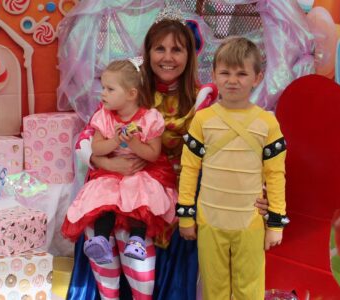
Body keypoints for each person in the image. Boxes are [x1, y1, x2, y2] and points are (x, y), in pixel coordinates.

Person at [67, 16, 271, 300]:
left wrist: (257, 192)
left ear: (189, 55)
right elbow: (87, 137)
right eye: (159, 49)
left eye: (177, 50)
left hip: (182, 196)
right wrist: (105, 163)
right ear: (148, 52)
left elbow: (236, 147)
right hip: (120, 186)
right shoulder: (129, 91)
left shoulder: (206, 99)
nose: (168, 57)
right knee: (102, 220)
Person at [178, 36, 289, 299]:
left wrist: (276, 223)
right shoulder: (202, 120)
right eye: (225, 72)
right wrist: (185, 215)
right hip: (209, 221)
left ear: (257, 77)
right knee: (213, 288)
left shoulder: (268, 124)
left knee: (249, 289)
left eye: (241, 73)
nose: (232, 80)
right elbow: (190, 169)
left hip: (249, 223)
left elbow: (276, 174)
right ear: (214, 74)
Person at [62, 58, 178, 265]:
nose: (103, 93)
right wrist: (115, 140)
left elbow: (153, 154)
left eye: (110, 89)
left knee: (140, 197)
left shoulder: (149, 118)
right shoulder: (103, 117)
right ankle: (100, 240)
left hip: (141, 171)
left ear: (131, 94)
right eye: (103, 87)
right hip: (110, 173)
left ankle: (137, 240)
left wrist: (133, 143)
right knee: (104, 199)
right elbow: (96, 148)